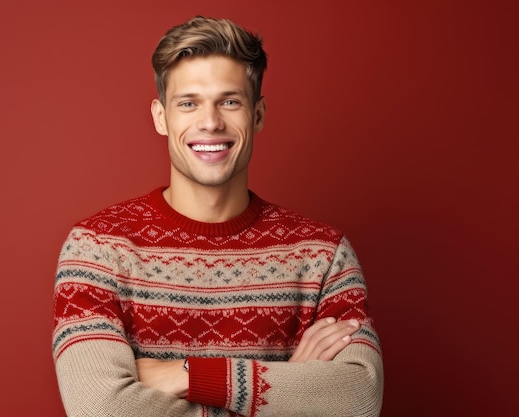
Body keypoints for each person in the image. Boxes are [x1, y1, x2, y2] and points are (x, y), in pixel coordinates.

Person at [52, 15, 383, 417]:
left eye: (230, 101)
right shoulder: (97, 249)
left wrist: (189, 376)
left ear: (257, 115)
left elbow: (358, 398)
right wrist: (286, 388)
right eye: (188, 103)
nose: (210, 123)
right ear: (161, 117)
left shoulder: (324, 255)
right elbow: (100, 409)